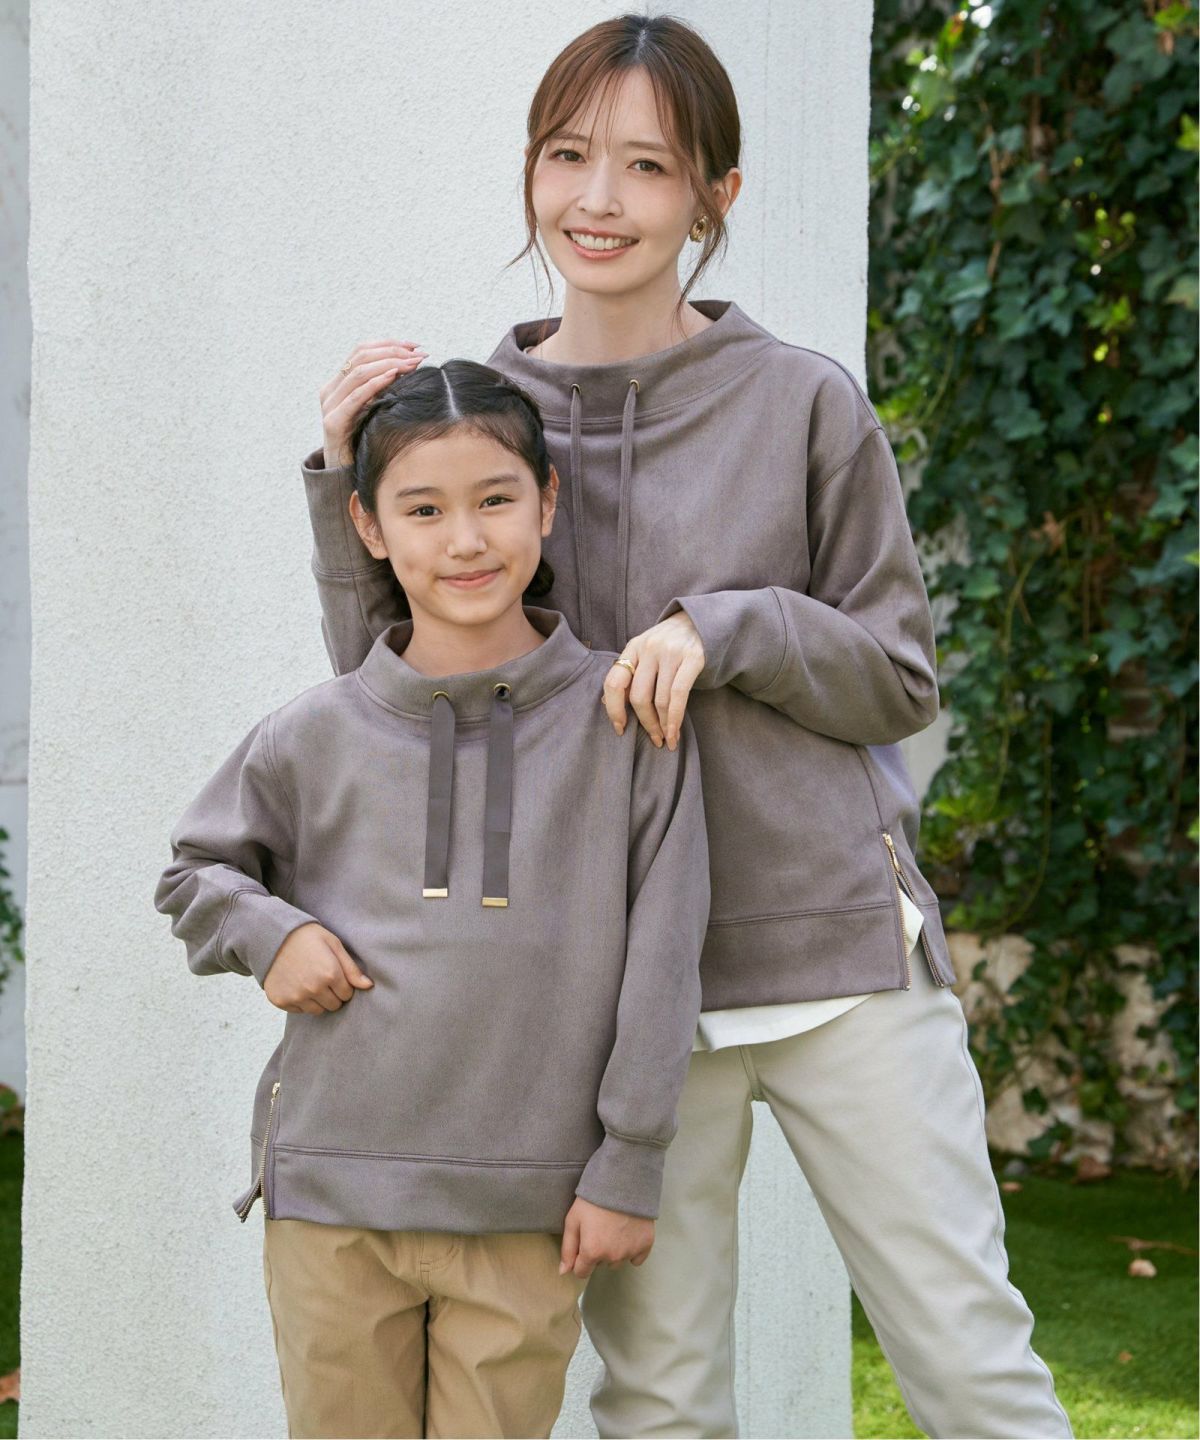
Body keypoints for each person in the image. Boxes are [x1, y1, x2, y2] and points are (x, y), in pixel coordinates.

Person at [297, 14, 1075, 1440]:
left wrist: (733, 627)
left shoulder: (802, 402)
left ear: (716, 193)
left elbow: (899, 675)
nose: (599, 199)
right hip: (625, 1003)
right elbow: (405, 708)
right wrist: (342, 479)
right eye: (568, 156)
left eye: (648, 166)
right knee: (659, 1405)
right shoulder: (483, 421)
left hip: (838, 956)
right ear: (531, 172)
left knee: (972, 1372)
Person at [154, 359, 709, 1439]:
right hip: (332, 1198)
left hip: (527, 1209)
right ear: (367, 526)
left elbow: (665, 954)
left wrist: (630, 1164)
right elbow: (193, 871)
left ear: (547, 502)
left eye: (495, 499)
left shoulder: (624, 722)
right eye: (423, 510)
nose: (464, 540)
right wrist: (271, 934)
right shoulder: (314, 731)